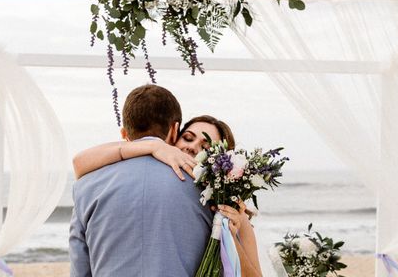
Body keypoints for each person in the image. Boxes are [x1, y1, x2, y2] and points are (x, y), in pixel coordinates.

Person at [72, 113, 263, 276]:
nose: (192, 147)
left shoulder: (227, 208)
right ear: (173, 138)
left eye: (205, 147)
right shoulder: (163, 182)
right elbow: (80, 161)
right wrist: (155, 146)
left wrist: (229, 234)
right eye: (188, 138)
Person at [69, 84, 212, 276]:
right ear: (174, 130)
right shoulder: (205, 187)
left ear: (124, 134)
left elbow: (80, 268)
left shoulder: (86, 187)